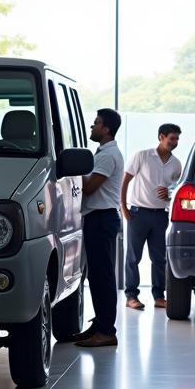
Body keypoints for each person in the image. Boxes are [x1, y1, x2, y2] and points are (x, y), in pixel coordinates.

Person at [74, 108, 125, 348]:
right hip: (98, 218)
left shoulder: (106, 155)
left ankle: (106, 331)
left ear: (106, 129)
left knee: (103, 276)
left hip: (102, 219)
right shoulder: (103, 152)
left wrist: (75, 169)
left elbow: (91, 187)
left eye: (96, 123)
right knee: (96, 275)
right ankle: (100, 325)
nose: (92, 127)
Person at [122, 123, 182, 310]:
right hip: (138, 214)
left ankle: (159, 296)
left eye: (177, 139)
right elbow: (125, 181)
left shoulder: (176, 164)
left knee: (159, 258)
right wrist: (123, 207)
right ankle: (131, 296)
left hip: (160, 216)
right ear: (161, 137)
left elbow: (175, 188)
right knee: (133, 257)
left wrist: (170, 194)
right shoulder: (142, 156)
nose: (176, 142)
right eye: (172, 138)